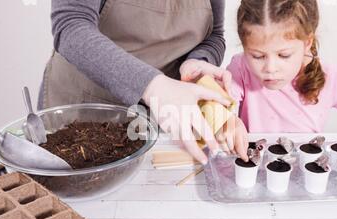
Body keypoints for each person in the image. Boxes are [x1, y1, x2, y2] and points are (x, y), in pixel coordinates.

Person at [38, 0, 245, 165]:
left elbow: (214, 35)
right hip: (84, 115)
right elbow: (71, 25)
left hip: (166, 115)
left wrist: (198, 61)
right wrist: (153, 86)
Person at [222, 0, 337, 154]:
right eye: (257, 56)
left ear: (307, 43)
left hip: (305, 173)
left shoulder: (330, 77)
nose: (270, 68)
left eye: (284, 55)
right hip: (254, 168)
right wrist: (227, 119)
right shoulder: (241, 67)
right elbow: (218, 103)